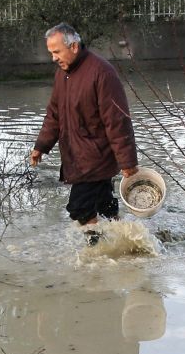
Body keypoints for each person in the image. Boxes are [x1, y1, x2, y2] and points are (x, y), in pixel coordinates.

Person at [30, 23, 139, 242]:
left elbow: (116, 121)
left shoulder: (102, 73)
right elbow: (54, 115)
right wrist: (41, 146)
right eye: (51, 53)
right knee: (104, 205)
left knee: (79, 208)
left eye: (56, 52)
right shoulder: (62, 75)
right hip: (77, 156)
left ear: (74, 46)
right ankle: (127, 241)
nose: (53, 58)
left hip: (95, 159)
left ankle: (96, 250)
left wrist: (127, 162)